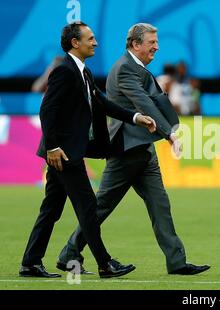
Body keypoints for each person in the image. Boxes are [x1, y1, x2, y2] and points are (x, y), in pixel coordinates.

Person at [58, 23, 210, 275]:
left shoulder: (135, 68)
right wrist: (169, 133)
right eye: (152, 42)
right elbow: (144, 105)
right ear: (136, 44)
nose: (157, 47)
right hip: (126, 149)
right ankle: (70, 253)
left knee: (160, 204)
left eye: (156, 42)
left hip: (143, 148)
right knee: (101, 206)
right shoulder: (124, 70)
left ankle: (177, 262)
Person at [19, 21, 157, 278]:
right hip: (63, 153)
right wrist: (53, 147)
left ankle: (30, 262)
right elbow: (47, 110)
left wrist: (136, 117)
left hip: (66, 152)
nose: (95, 42)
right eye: (90, 38)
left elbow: (103, 104)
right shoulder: (64, 71)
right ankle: (105, 263)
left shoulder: (83, 72)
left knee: (51, 209)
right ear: (75, 43)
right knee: (88, 208)